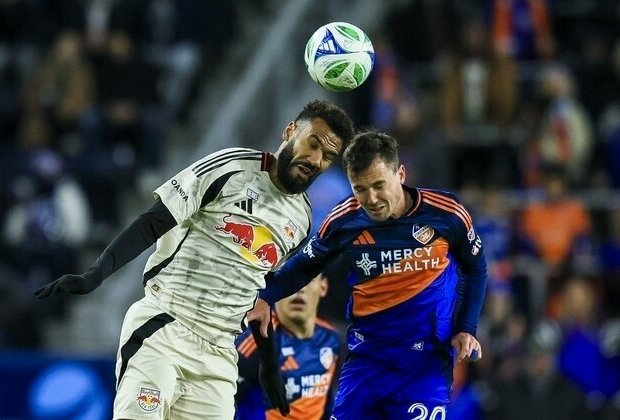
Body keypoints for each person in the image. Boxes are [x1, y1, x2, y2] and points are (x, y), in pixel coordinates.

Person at [33, 99, 355, 420]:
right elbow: (153, 221)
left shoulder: (301, 220)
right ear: (290, 132)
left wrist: (268, 365)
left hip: (219, 354)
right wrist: (95, 274)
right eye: (312, 144)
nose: (315, 159)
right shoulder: (230, 168)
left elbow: (258, 291)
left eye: (328, 156)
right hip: (166, 325)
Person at [248, 129, 488, 419]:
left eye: (378, 185)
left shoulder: (447, 214)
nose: (371, 198)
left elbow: (475, 267)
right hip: (367, 360)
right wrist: (265, 296)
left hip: (424, 364)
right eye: (360, 189)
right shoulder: (345, 219)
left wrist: (467, 328)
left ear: (400, 174)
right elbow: (305, 265)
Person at [235, 271, 341, 420]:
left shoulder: (331, 339)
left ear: (322, 287)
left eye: (308, 279)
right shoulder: (254, 345)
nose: (299, 288)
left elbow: (327, 404)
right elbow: (225, 402)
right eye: (289, 279)